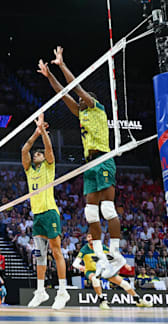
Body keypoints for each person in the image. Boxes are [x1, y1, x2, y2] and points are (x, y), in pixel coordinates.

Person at [38, 46, 124, 279]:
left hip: (103, 159)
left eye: (83, 97)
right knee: (90, 214)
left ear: (90, 100)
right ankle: (103, 259)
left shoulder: (96, 109)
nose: (79, 98)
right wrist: (49, 76)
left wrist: (62, 64)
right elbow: (62, 93)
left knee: (107, 209)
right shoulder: (81, 112)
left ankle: (116, 255)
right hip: (89, 165)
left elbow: (76, 86)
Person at [22, 113, 70, 310]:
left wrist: (44, 132)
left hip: (50, 212)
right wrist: (35, 132)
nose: (36, 155)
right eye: (36, 154)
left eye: (38, 154)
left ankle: (62, 291)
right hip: (38, 216)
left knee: (56, 251)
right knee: (39, 255)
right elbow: (25, 149)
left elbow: (49, 148)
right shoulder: (29, 170)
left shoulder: (48, 168)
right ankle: (40, 291)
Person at [73, 234, 152, 309]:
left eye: (92, 236)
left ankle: (138, 300)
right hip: (91, 271)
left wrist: (124, 264)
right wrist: (81, 267)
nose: (91, 238)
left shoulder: (102, 247)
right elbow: (75, 264)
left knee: (125, 284)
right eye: (89, 237)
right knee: (95, 279)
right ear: (87, 239)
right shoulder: (84, 249)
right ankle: (102, 301)